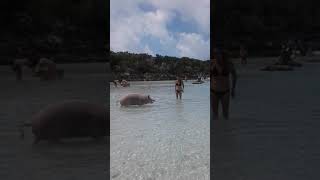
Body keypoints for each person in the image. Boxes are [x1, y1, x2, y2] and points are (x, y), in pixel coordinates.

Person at [211, 49, 237, 120]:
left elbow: (234, 76)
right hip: (213, 91)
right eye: (215, 55)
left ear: (223, 55)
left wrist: (233, 89)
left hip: (225, 91)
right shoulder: (212, 63)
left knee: (225, 114)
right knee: (215, 114)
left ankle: (226, 129)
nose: (216, 56)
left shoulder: (229, 64)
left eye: (218, 55)